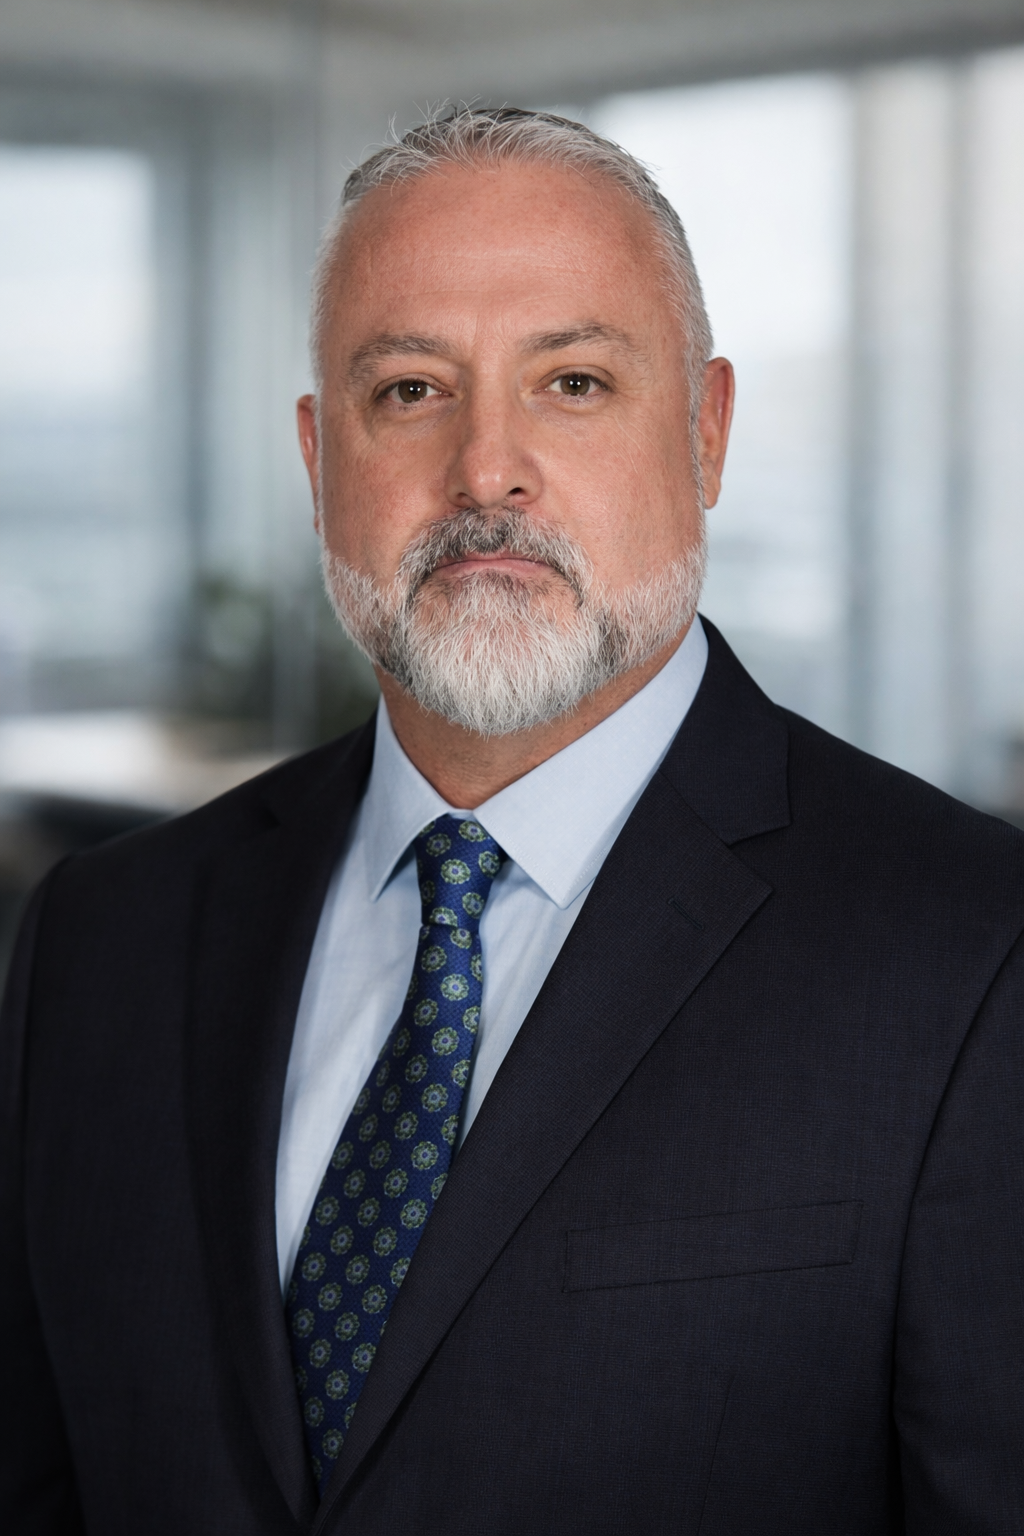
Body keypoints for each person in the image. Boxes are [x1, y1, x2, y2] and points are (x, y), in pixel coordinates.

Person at [2, 106, 1023, 1536]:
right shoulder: (100, 940)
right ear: (319, 458)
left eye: (575, 382)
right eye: (411, 390)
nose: (486, 471)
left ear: (707, 431)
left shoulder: (974, 953)